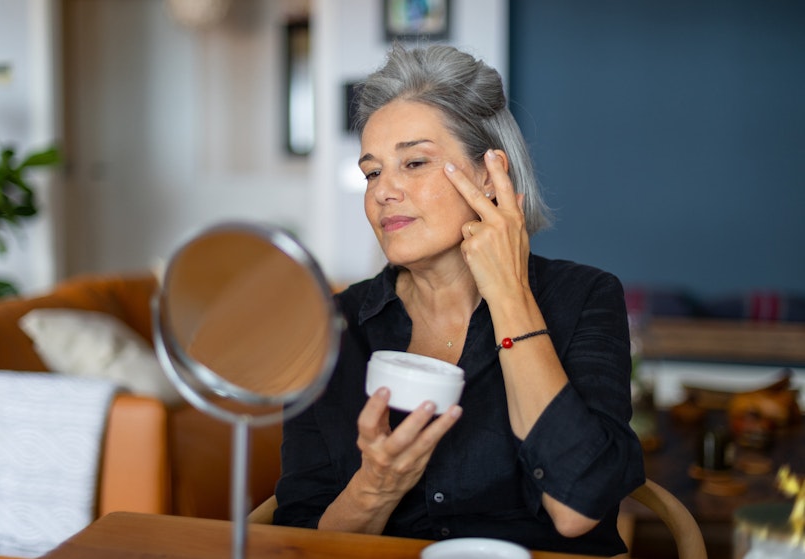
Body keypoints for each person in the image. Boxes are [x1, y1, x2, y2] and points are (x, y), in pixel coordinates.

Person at [274, 43, 645, 556]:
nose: (383, 191)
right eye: (373, 172)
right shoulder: (329, 327)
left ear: (490, 176)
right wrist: (375, 486)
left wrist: (510, 294)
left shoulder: (584, 297)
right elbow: (299, 537)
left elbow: (578, 507)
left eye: (415, 162)